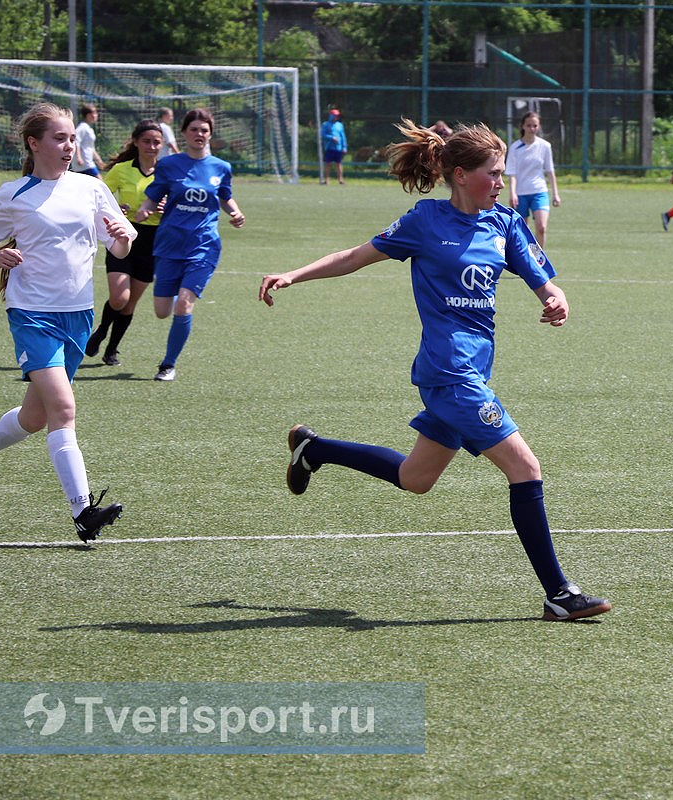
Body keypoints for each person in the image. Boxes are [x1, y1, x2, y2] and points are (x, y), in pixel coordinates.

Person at [258, 119, 612, 623]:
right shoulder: (425, 222)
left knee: (415, 477)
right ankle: (559, 592)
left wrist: (558, 301)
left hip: (475, 371)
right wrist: (294, 274)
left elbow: (545, 282)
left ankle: (314, 449)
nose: (499, 181)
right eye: (492, 173)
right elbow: (355, 257)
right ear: (460, 175)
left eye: (501, 172)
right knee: (525, 469)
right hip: (449, 374)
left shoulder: (506, 223)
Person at [0, 102, 135, 541]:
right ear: (34, 143)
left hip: (78, 314)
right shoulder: (14, 193)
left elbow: (119, 245)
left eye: (71, 139)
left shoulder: (90, 187)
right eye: (60, 139)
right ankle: (84, 512)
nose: (69, 146)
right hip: (32, 315)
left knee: (34, 416)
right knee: (63, 410)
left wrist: (121, 241)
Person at [136, 108, 245, 382]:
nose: (200, 134)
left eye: (205, 130)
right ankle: (177, 293)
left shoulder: (221, 167)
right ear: (184, 132)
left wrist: (235, 211)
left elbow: (224, 196)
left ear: (210, 134)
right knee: (162, 312)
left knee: (184, 305)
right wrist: (144, 210)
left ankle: (168, 365)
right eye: (194, 129)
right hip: (169, 243)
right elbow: (154, 195)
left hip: (203, 244)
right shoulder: (169, 165)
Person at [85, 118, 165, 366]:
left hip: (153, 242)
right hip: (123, 236)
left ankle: (112, 349)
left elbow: (180, 204)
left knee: (130, 303)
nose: (151, 146)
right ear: (136, 142)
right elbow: (99, 199)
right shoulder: (121, 169)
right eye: (146, 141)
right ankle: (99, 333)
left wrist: (166, 207)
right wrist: (116, 208)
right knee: (119, 297)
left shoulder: (168, 172)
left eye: (156, 142)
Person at [505, 111, 561, 249]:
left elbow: (550, 171)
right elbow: (512, 174)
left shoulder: (545, 146)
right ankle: (525, 259)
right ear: (523, 126)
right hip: (521, 193)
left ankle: (538, 258)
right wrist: (512, 193)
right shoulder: (515, 147)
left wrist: (555, 194)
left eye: (535, 125)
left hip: (539, 191)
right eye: (529, 125)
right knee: (522, 231)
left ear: (539, 126)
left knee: (541, 228)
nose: (532, 128)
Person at [73, 103, 106, 178]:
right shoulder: (82, 127)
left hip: (88, 161)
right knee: (99, 183)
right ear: (88, 115)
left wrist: (98, 160)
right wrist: (79, 158)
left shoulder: (89, 129)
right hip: (84, 163)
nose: (96, 115)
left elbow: (91, 147)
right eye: (93, 113)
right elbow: (76, 142)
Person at [320, 107, 347, 185]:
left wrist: (344, 147)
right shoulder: (325, 124)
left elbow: (343, 136)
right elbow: (323, 135)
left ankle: (340, 180)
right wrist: (332, 138)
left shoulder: (340, 125)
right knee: (328, 164)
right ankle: (327, 180)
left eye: (337, 116)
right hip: (329, 147)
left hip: (338, 148)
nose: (336, 117)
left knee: (339, 164)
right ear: (331, 115)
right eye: (334, 115)